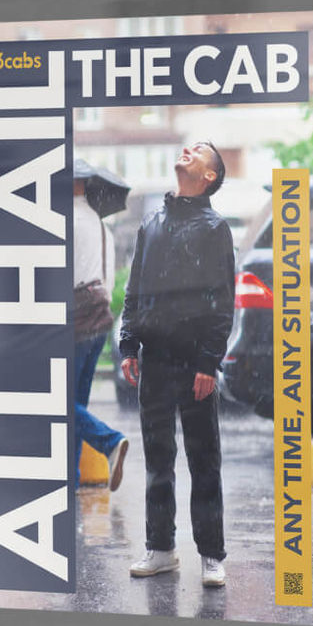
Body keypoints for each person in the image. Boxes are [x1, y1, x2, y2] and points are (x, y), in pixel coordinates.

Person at [119, 142, 235, 588]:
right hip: (156, 361)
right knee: (158, 460)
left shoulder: (214, 227)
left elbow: (221, 300)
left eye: (200, 151)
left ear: (209, 176)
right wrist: (129, 346)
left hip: (195, 365)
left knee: (204, 459)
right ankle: (161, 549)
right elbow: (135, 289)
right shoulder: (152, 222)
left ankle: (211, 553)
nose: (188, 151)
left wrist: (209, 360)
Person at [72, 163, 130, 491]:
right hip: (99, 323)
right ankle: (72, 480)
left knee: (58, 405)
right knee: (75, 406)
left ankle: (109, 442)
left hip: (74, 323)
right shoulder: (99, 224)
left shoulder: (65, 223)